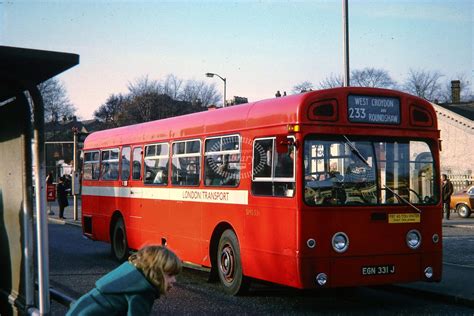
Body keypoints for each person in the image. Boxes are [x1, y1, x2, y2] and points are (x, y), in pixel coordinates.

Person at [67, 245, 182, 315]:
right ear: (156, 272)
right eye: (170, 275)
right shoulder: (141, 292)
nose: (174, 280)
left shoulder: (127, 277)